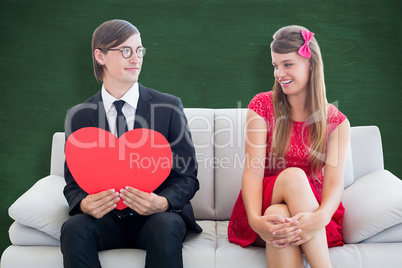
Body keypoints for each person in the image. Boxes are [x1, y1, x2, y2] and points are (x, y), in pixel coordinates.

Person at [60, 19, 202, 268]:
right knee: (73, 229)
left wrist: (163, 202)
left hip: (157, 217)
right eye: (125, 51)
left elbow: (187, 176)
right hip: (105, 219)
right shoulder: (80, 115)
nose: (136, 58)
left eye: (139, 50)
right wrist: (84, 203)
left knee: (165, 224)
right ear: (100, 56)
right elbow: (73, 183)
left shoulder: (168, 107)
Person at [228, 25, 350, 268]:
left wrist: (320, 217)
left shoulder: (337, 122)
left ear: (311, 64)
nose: (279, 73)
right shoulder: (261, 105)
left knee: (280, 214)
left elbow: (335, 182)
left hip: (312, 208)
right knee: (291, 178)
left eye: (287, 64)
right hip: (262, 201)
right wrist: (253, 220)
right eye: (275, 65)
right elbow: (253, 171)